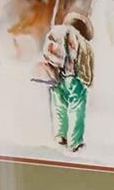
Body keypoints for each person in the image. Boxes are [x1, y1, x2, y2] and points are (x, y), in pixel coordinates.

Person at [38, 12, 94, 152]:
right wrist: (87, 80)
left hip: (56, 76)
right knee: (76, 107)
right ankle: (75, 142)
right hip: (74, 77)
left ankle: (60, 135)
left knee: (59, 106)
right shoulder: (83, 42)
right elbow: (87, 65)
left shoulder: (55, 33)